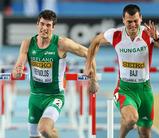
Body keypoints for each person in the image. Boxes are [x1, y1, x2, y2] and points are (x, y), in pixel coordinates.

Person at [85, 4, 159, 138]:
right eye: (129, 22)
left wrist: (157, 39)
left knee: (145, 133)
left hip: (145, 90)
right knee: (131, 119)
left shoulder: (148, 34)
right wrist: (88, 64)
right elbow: (95, 41)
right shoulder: (116, 34)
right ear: (123, 20)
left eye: (135, 21)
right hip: (125, 88)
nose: (133, 25)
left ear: (141, 19)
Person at [12, 9, 98, 138]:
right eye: (42, 24)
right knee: (35, 135)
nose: (44, 28)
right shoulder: (27, 43)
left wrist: (93, 79)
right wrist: (17, 71)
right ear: (37, 24)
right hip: (35, 97)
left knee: (44, 129)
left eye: (48, 25)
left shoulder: (61, 44)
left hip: (55, 96)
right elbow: (18, 68)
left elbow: (89, 52)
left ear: (53, 27)